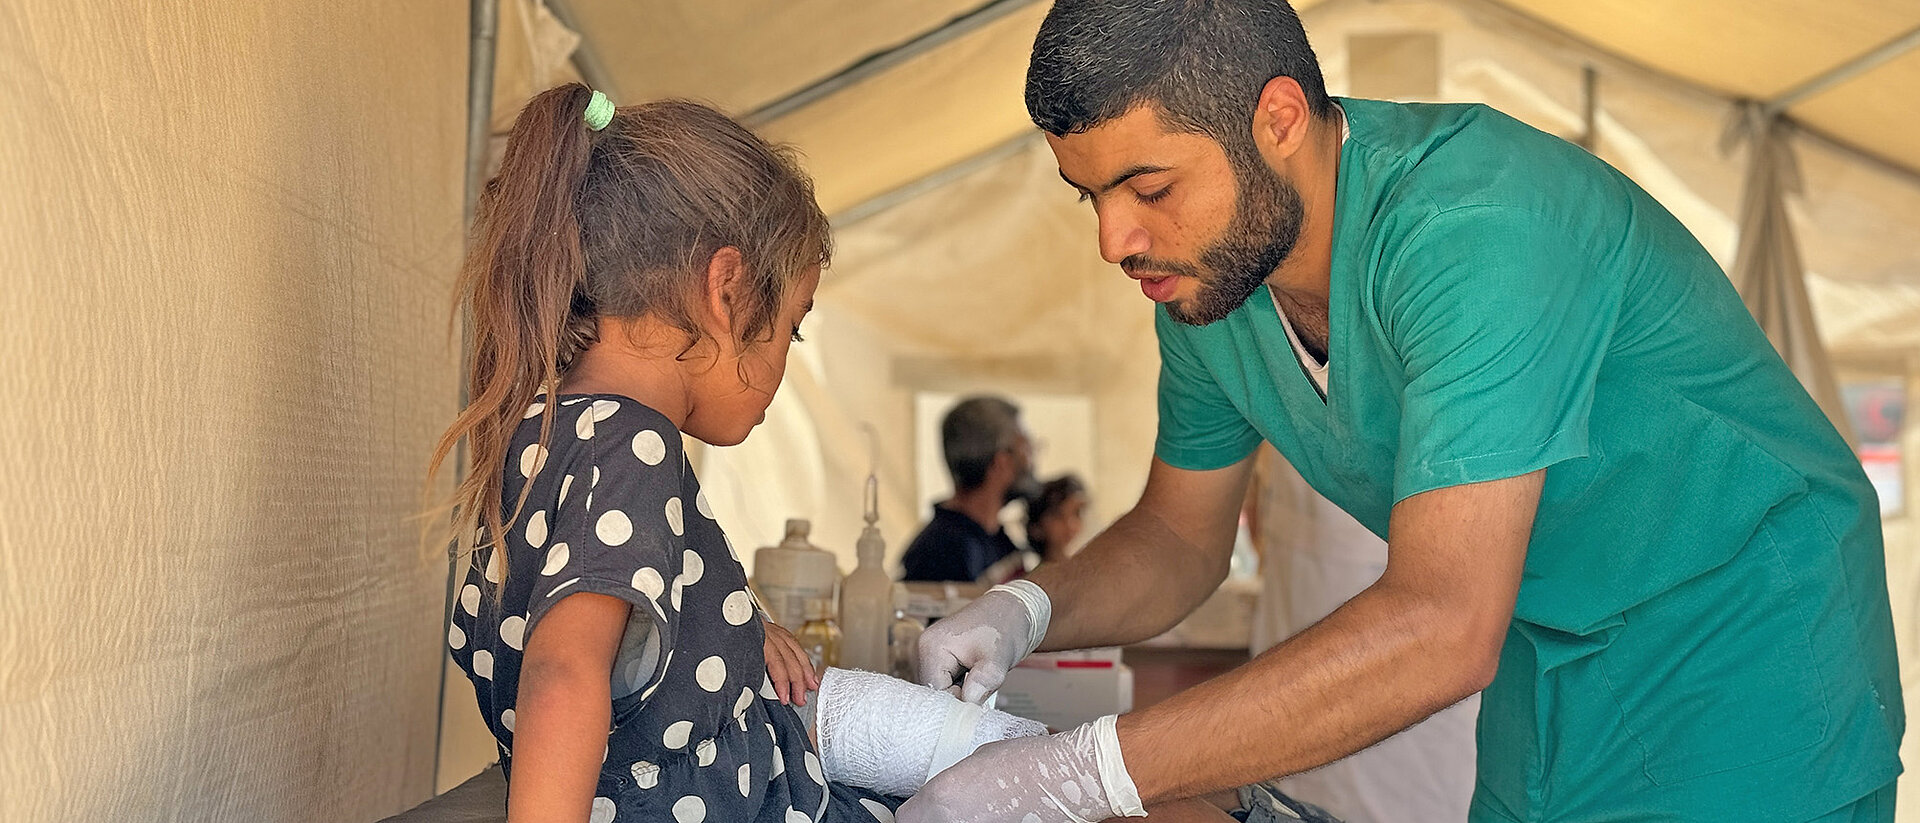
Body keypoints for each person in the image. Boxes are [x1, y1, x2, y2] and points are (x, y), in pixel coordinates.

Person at [900, 3, 1904, 823]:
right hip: (1550, 656)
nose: (1115, 240)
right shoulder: (1208, 287)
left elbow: (1442, 621)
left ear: (1278, 118)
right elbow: (1177, 535)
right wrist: (1026, 609)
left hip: (1747, 648)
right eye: (1090, 197)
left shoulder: (1475, 230)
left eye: (1148, 187)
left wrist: (1078, 774)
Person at [426, 84, 899, 823]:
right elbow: (564, 674)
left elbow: (618, 642)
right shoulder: (630, 445)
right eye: (792, 326)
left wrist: (735, 631)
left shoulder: (555, 427)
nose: (787, 354)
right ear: (726, 290)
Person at [899, 396, 1041, 583]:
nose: (1032, 462)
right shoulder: (941, 555)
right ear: (1001, 463)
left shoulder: (996, 541)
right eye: (1027, 449)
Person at [1025, 474, 1088, 566]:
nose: (1070, 525)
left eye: (1076, 513)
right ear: (1037, 526)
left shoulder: (1088, 565)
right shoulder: (1025, 568)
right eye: (1058, 516)